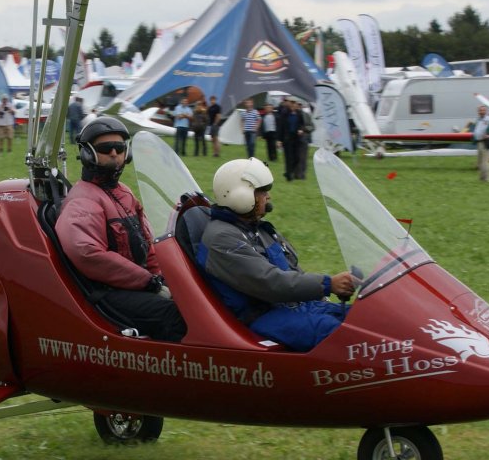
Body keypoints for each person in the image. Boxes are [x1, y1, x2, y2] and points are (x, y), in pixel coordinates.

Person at [196, 158, 357, 351]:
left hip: (293, 306)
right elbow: (270, 282)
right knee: (340, 335)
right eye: (262, 192)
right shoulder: (222, 238)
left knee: (361, 319)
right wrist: (328, 284)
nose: (268, 197)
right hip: (265, 316)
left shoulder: (256, 229)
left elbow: (292, 270)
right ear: (241, 195)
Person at [56, 116, 187, 342]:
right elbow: (88, 253)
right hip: (109, 293)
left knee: (193, 303)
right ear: (88, 154)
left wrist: (165, 278)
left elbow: (148, 244)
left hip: (139, 285)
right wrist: (149, 282)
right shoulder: (82, 201)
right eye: (106, 148)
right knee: (177, 316)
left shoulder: (124, 193)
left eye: (120, 148)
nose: (115, 154)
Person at [279, 99, 310, 181]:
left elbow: (302, 124)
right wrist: (279, 140)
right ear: (289, 104)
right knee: (289, 158)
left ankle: (290, 172)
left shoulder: (299, 114)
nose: (293, 105)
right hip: (287, 139)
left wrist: (301, 129)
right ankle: (289, 175)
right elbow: (281, 127)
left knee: (297, 158)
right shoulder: (285, 113)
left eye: (294, 103)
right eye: (291, 103)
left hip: (297, 139)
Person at [472, 104, 489, 182]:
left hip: (485, 142)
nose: (481, 112)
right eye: (480, 110)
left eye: (483, 110)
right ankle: (482, 178)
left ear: (486, 111)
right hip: (479, 142)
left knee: (485, 162)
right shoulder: (478, 120)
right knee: (480, 162)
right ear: (478, 111)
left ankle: (487, 179)